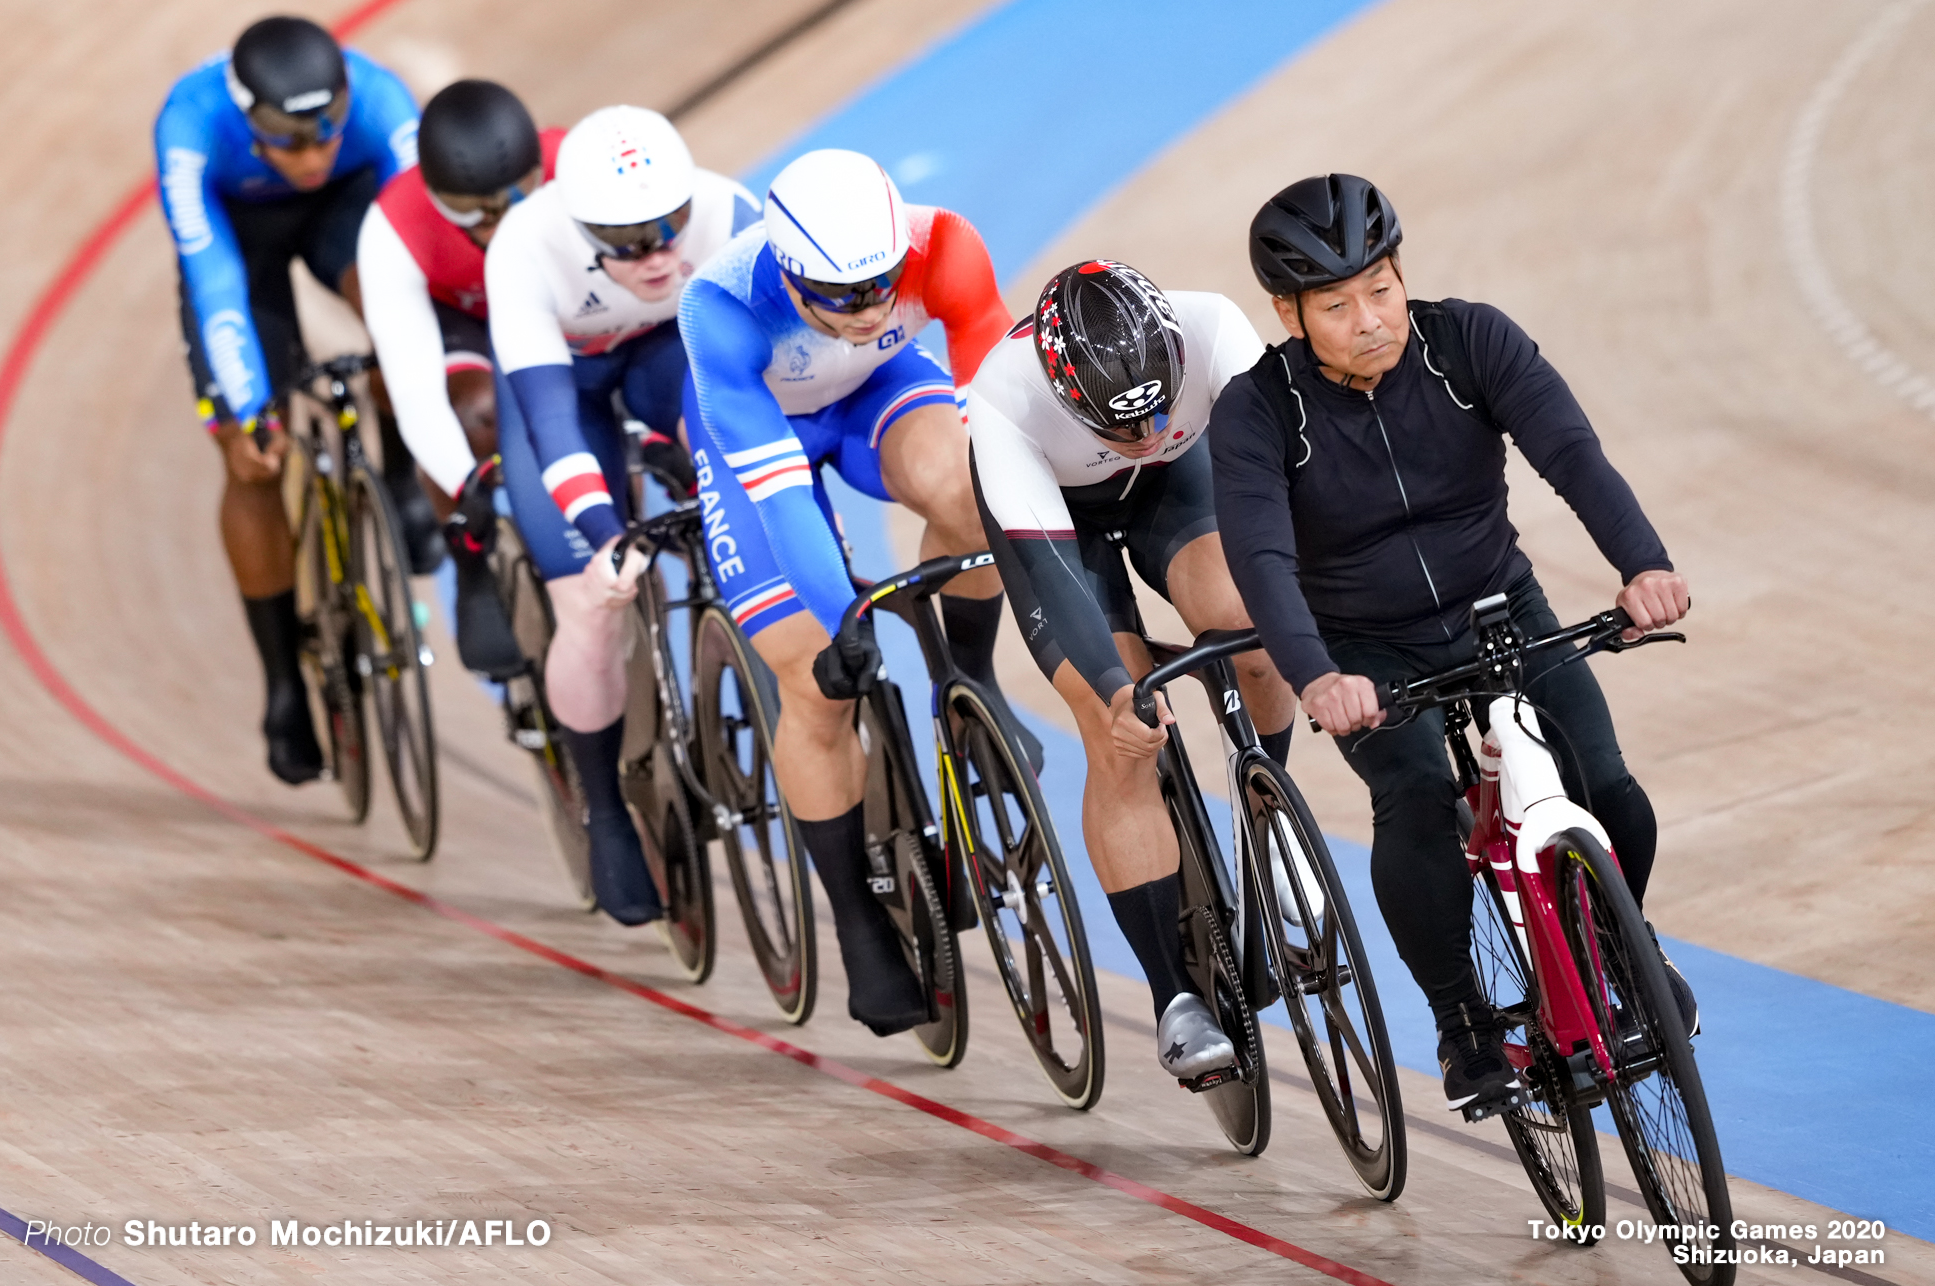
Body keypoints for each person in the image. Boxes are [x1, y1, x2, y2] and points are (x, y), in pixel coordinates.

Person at [1209, 173, 1694, 1115]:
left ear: (1402, 274)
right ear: (1288, 311)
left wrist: (1643, 565)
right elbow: (1262, 558)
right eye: (1337, 305)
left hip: (1497, 603)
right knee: (1418, 796)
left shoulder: (1471, 340)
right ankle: (1462, 1019)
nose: (1369, 319)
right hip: (1363, 646)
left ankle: (1623, 942)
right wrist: (1317, 675)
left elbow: (1572, 454)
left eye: (1381, 289)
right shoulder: (1259, 410)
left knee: (1608, 788)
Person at [678, 148, 1023, 1037]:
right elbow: (784, 493)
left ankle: (973, 680)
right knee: (813, 677)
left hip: (878, 395)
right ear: (789, 275)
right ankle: (856, 918)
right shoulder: (720, 310)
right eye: (842, 296)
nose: (871, 307)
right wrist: (843, 624)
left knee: (975, 495)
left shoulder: (943, 244)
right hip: (762, 440)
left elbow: (1000, 407)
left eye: (882, 285)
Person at [967, 260, 1296, 1080]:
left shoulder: (1214, 329)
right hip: (1059, 525)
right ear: (1067, 394)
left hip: (1176, 493)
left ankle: (1269, 813)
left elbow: (1297, 478)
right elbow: (1051, 577)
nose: (1146, 431)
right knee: (1119, 727)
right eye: (1121, 426)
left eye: (1159, 408)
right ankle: (1173, 996)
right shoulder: (1004, 402)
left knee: (1253, 627)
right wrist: (1120, 695)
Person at [486, 104, 759, 926]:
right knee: (589, 601)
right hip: (561, 387)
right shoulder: (525, 248)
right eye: (631, 242)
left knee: (730, 440)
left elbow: (768, 385)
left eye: (670, 227)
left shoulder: (730, 213)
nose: (661, 255)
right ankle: (603, 803)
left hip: (661, 356)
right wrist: (606, 536)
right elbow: (551, 424)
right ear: (582, 230)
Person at [156, 15, 419, 784]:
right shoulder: (188, 126)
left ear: (346, 104)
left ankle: (403, 475)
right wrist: (246, 408)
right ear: (247, 121)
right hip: (240, 239)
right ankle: (281, 685)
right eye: (287, 141)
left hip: (351, 212)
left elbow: (417, 256)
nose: (308, 156)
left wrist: (409, 355)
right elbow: (214, 281)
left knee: (402, 317)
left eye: (325, 134)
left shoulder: (384, 102)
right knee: (249, 463)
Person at [358, 78, 563, 677]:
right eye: (478, 215)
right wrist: (466, 492)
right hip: (464, 319)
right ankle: (473, 565)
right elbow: (417, 394)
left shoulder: (573, 166)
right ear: (442, 203)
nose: (501, 225)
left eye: (516, 200)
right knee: (472, 411)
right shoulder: (394, 226)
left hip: (562, 307)